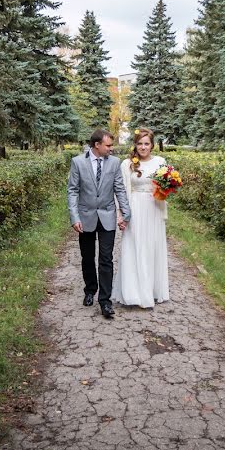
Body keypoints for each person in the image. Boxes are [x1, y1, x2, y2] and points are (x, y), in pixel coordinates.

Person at [67, 129, 131, 318]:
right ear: (97, 145)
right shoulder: (78, 162)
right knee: (87, 257)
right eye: (108, 145)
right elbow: (72, 191)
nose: (111, 148)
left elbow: (119, 188)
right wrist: (74, 217)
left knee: (106, 259)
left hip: (107, 216)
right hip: (85, 217)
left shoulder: (114, 163)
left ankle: (105, 300)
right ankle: (90, 290)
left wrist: (125, 213)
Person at [111, 128, 170, 308]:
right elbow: (121, 192)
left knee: (152, 247)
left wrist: (169, 188)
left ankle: (151, 290)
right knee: (134, 246)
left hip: (153, 208)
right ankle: (133, 293)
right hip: (135, 208)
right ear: (135, 145)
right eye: (139, 143)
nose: (143, 147)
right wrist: (122, 214)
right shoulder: (127, 164)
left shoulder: (160, 162)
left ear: (152, 145)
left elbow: (166, 185)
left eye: (146, 143)